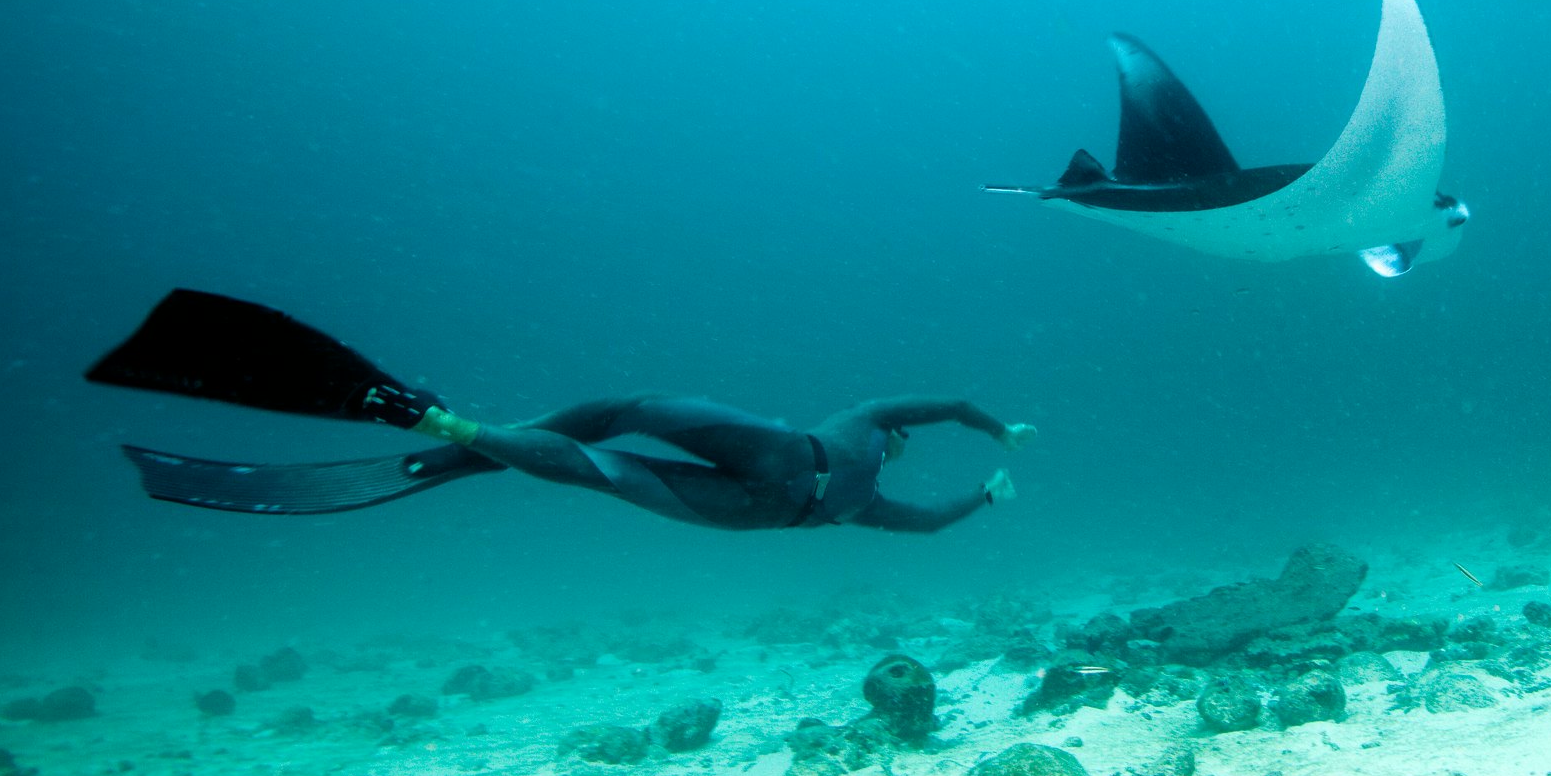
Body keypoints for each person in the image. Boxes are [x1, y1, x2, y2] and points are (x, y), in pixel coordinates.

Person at [87, 289, 1032, 532]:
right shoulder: (866, 440)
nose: (904, 438)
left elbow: (932, 495)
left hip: (773, 489)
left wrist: (988, 475)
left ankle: (449, 428)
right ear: (894, 440)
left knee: (611, 442)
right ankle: (461, 433)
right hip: (776, 495)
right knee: (613, 440)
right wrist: (992, 457)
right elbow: (941, 422)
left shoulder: (865, 449)